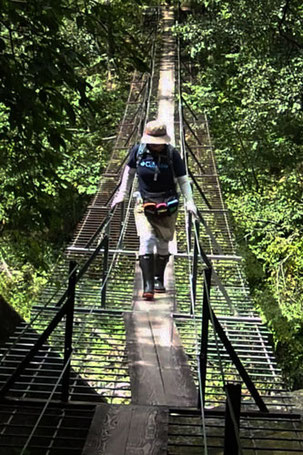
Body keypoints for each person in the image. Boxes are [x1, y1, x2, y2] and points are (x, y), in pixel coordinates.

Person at [111, 120, 197, 300]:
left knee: (164, 243)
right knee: (147, 239)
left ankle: (159, 279)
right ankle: (148, 285)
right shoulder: (139, 151)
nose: (154, 146)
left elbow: (183, 180)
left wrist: (190, 202)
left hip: (168, 206)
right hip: (144, 204)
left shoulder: (173, 155)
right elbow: (129, 173)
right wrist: (122, 194)